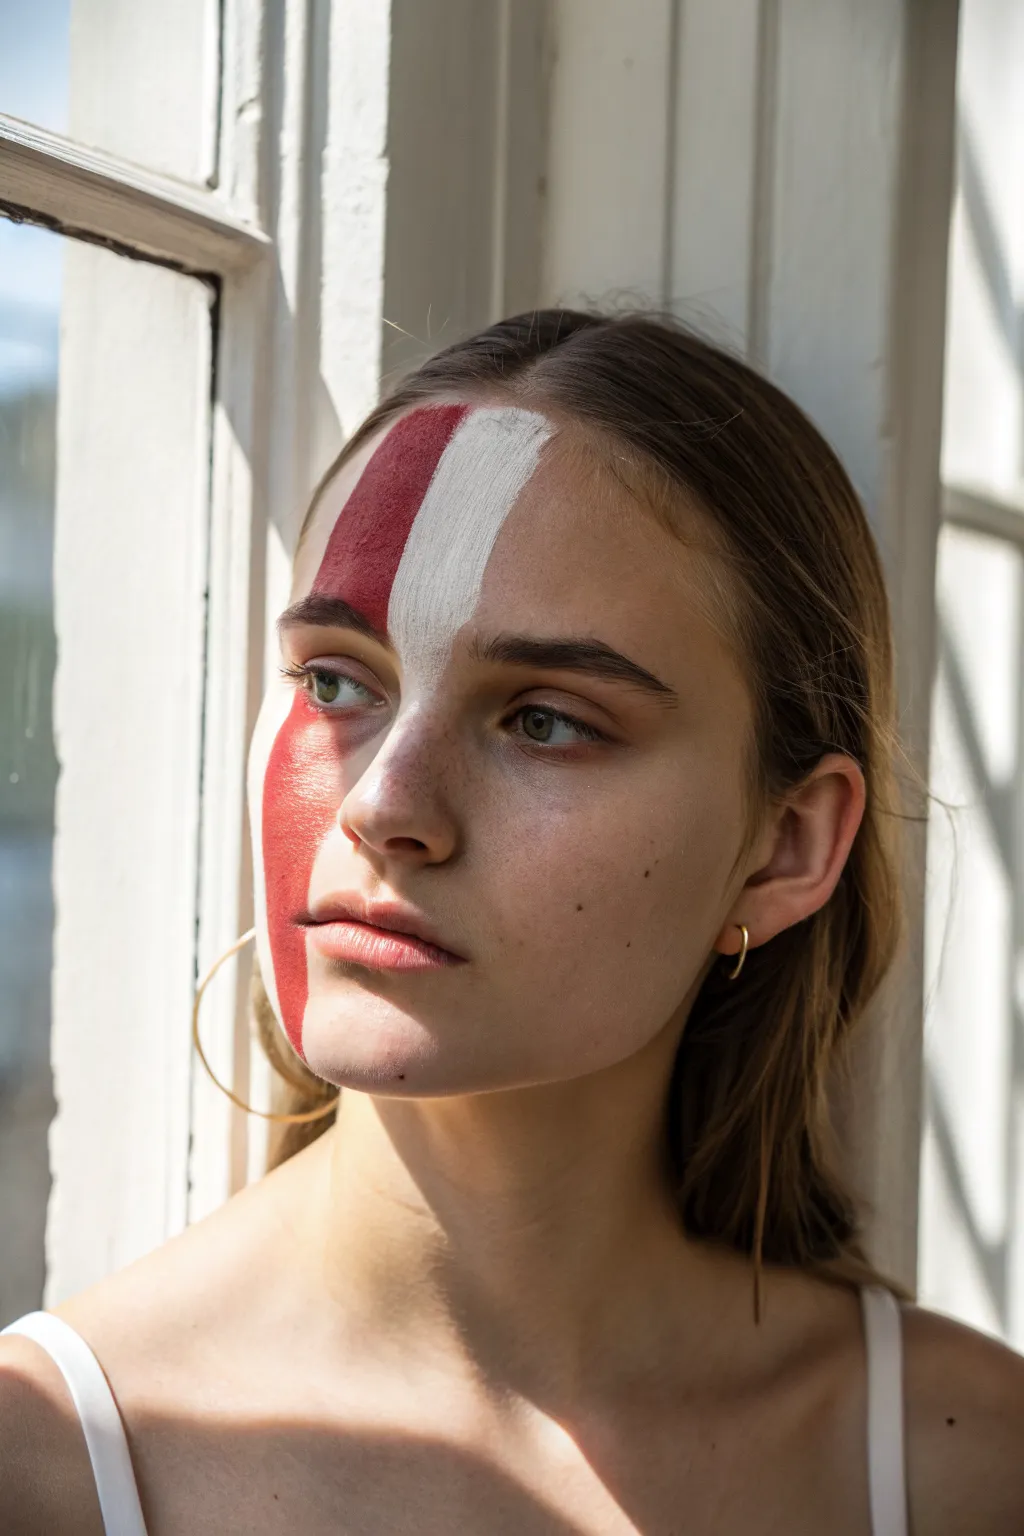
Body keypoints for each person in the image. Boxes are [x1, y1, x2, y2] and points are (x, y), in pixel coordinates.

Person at [2, 310, 1022, 1535]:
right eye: (336, 682)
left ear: (785, 845)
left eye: (545, 718)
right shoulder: (43, 1467)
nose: (384, 808)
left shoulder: (968, 1465)